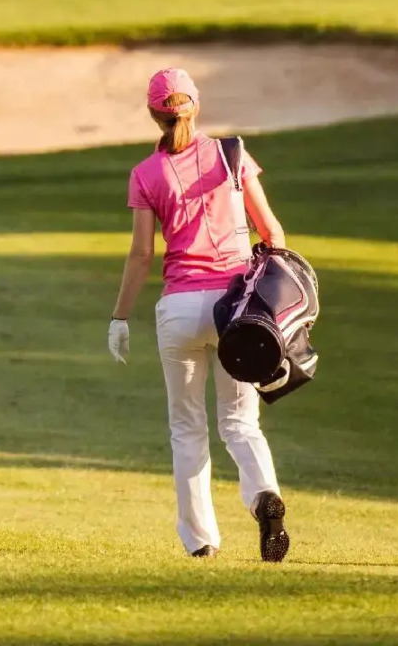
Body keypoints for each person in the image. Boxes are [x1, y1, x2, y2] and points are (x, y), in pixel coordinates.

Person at [107, 67, 292, 561]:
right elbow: (271, 232)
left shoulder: (145, 174)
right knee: (240, 423)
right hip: (237, 308)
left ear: (153, 115)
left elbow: (142, 255)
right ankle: (263, 496)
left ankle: (201, 542)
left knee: (187, 429)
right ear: (195, 105)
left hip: (180, 310)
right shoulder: (231, 154)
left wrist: (120, 317)